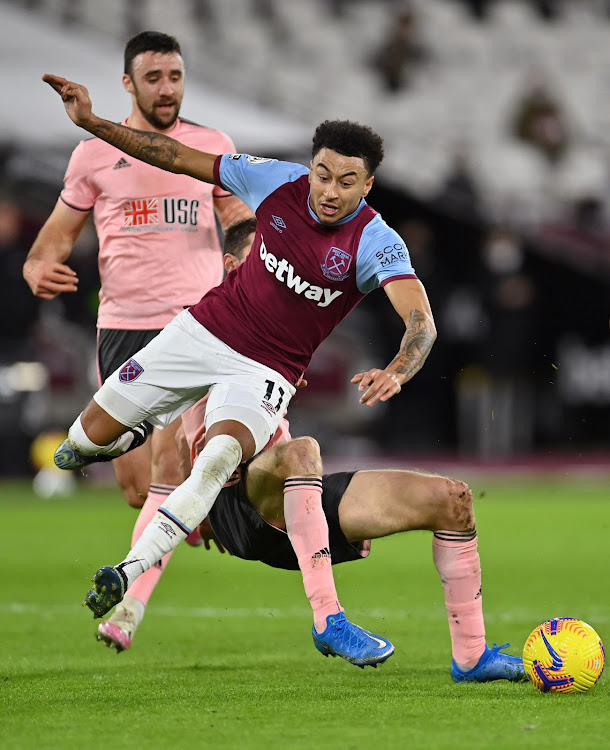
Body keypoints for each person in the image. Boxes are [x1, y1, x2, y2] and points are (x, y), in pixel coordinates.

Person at [43, 73, 438, 667]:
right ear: (311, 166)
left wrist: (400, 369)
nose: (330, 191)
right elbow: (174, 155)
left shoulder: (375, 241)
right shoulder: (272, 181)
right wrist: (95, 124)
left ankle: (129, 577)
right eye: (323, 175)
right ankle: (119, 435)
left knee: (213, 461)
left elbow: (421, 323)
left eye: (347, 182)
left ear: (369, 185)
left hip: (267, 372)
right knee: (77, 444)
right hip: (205, 332)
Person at [96, 219, 525, 684]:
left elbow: (409, 315)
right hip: (240, 503)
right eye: (265, 261)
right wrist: (131, 608)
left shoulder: (287, 329)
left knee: (453, 499)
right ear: (234, 267)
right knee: (302, 451)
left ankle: (472, 657)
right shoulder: (194, 334)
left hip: (296, 501)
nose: (278, 271)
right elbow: (165, 474)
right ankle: (328, 619)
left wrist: (396, 367)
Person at [24, 32, 252, 531]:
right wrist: (37, 266)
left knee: (200, 463)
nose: (167, 88)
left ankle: (203, 511)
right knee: (136, 489)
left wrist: (244, 252)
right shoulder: (93, 156)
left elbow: (238, 217)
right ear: (129, 84)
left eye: (175, 77)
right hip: (126, 326)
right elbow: (53, 240)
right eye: (154, 78)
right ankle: (192, 514)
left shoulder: (212, 147)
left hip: (202, 323)